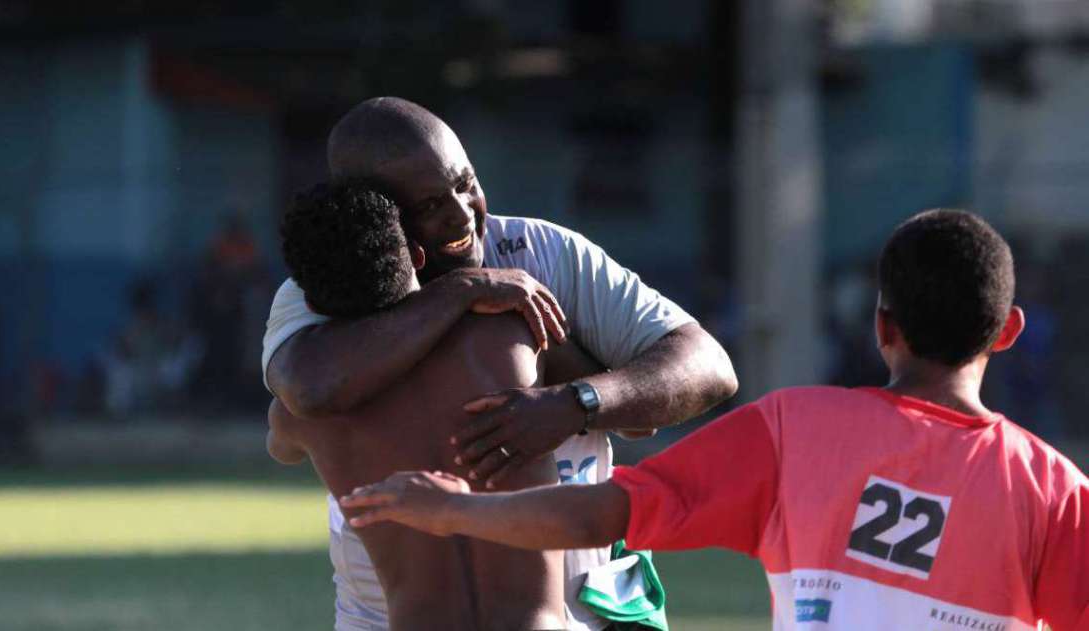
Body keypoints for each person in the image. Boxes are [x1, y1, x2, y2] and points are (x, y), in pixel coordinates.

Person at [342, 210, 1089, 630]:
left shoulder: (796, 430)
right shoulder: (1055, 492)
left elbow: (601, 514)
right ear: (1008, 330)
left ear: (882, 326)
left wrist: (456, 510)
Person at [262, 97, 738, 629]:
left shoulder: (544, 255)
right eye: (429, 205)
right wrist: (462, 293)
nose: (463, 214)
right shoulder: (501, 333)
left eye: (465, 183)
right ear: (380, 217)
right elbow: (310, 386)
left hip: (575, 607)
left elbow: (708, 366)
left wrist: (574, 405)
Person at [268, 183, 571, 630]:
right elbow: (632, 415)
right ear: (418, 255)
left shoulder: (308, 411)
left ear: (311, 302)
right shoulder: (512, 336)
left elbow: (281, 448)